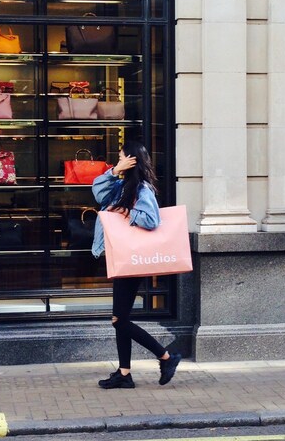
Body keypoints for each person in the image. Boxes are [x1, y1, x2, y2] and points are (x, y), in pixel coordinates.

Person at [91, 140, 182, 389]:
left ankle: (166, 357)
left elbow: (151, 220)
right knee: (120, 318)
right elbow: (98, 193)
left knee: (119, 320)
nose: (118, 160)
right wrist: (113, 171)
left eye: (121, 157)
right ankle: (124, 373)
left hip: (132, 258)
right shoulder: (122, 185)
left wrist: (125, 212)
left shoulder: (142, 189)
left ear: (132, 160)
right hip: (122, 256)